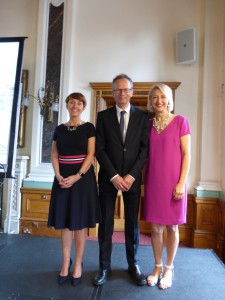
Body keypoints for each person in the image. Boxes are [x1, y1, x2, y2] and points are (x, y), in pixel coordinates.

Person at [93, 74, 149, 286]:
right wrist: (114, 175)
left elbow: (145, 150)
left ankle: (133, 264)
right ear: (113, 92)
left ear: (132, 92)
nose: (122, 93)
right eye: (118, 90)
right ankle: (104, 266)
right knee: (106, 223)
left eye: (126, 89)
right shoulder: (103, 116)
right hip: (109, 178)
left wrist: (131, 175)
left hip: (133, 179)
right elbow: (100, 150)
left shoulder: (143, 117)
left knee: (132, 224)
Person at [48, 92, 101, 287]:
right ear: (67, 105)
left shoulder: (89, 128)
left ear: (83, 107)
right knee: (64, 224)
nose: (75, 106)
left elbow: (91, 154)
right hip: (62, 179)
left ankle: (78, 262)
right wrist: (58, 175)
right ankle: (65, 261)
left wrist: (77, 176)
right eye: (72, 103)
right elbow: (54, 155)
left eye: (79, 104)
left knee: (79, 224)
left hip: (82, 180)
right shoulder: (59, 129)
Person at [143, 83, 191, 289]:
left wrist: (181, 182)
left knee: (172, 227)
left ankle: (169, 268)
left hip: (174, 183)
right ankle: (157, 266)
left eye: (162, 96)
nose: (158, 101)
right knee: (155, 228)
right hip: (154, 181)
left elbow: (187, 154)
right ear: (150, 101)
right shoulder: (147, 124)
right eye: (154, 97)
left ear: (169, 99)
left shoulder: (180, 121)